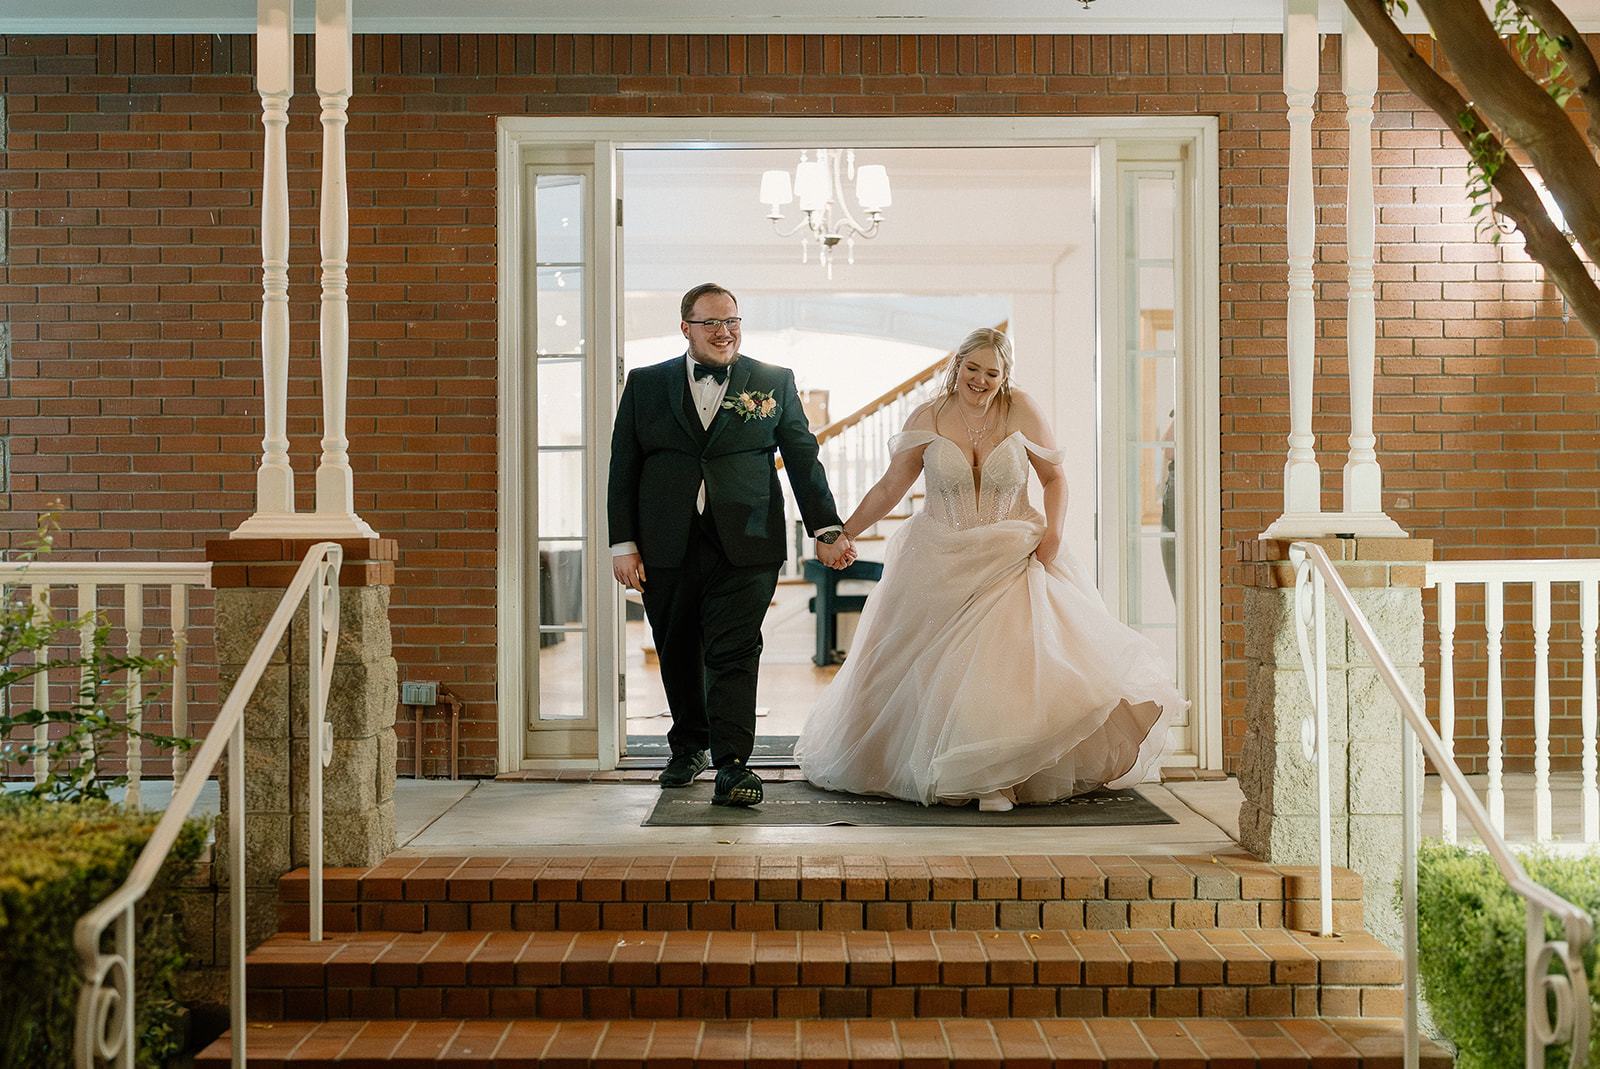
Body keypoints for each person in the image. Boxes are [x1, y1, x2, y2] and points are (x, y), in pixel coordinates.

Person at [793, 327, 1184, 811]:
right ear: (956, 366)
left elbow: (1054, 478)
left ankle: (999, 776)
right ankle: (957, 771)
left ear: (1004, 376)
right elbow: (891, 487)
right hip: (938, 557)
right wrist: (844, 531)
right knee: (931, 668)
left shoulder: (1020, 408)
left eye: (992, 373)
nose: (980, 380)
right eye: (972, 368)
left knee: (1006, 663)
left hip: (1012, 550)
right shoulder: (929, 416)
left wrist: (1054, 534)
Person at [609, 283, 854, 807]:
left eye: (732, 321)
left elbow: (803, 460)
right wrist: (622, 543)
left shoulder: (771, 382)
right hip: (664, 544)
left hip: (747, 543)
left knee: (735, 650)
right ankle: (688, 747)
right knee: (675, 647)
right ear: (686, 328)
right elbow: (623, 468)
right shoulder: (646, 384)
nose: (725, 332)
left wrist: (827, 529)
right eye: (712, 323)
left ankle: (733, 765)